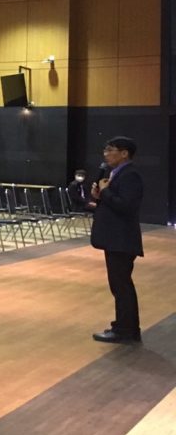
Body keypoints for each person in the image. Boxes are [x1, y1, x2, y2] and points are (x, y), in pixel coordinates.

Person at [90, 137, 144, 345]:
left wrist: (106, 192)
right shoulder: (117, 173)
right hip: (115, 238)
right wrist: (100, 196)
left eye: (110, 150)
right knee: (119, 286)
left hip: (121, 239)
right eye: (105, 150)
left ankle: (125, 330)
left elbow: (126, 206)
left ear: (124, 153)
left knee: (121, 286)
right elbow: (114, 203)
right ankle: (125, 327)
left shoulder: (130, 175)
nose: (105, 154)